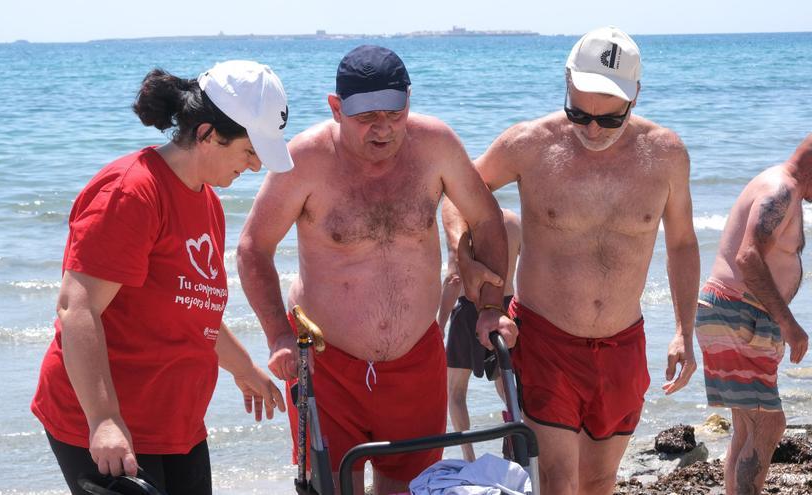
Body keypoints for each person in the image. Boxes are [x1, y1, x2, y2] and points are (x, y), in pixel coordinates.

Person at [237, 45, 516, 494]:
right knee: (332, 487)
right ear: (335, 108)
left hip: (416, 362)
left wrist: (489, 307)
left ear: (409, 101)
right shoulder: (304, 160)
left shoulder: (436, 145)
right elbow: (253, 248)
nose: (382, 128)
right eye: (365, 117)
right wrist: (278, 335)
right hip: (328, 367)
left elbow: (486, 218)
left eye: (393, 113)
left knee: (408, 488)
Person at [443, 26, 701, 495]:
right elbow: (455, 196)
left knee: (599, 482)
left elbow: (682, 243)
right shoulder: (529, 143)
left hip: (623, 344)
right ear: (566, 83)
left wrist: (684, 330)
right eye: (579, 112)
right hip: (545, 340)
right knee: (558, 482)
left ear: (635, 96)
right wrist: (461, 250)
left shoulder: (666, 154)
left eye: (609, 118)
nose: (591, 129)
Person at [31, 60, 289, 495]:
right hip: (109, 428)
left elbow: (188, 306)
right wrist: (104, 419)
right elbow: (77, 307)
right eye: (249, 151)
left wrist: (244, 368)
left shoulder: (207, 200)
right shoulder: (131, 192)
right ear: (207, 134)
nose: (256, 165)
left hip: (177, 425)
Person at [696, 134, 811, 495]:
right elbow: (748, 258)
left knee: (747, 428)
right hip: (740, 312)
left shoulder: (779, 185)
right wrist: (788, 324)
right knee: (769, 425)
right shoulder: (781, 189)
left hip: (732, 311)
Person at [437, 209, 521, 461]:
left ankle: (469, 458)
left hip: (470, 309)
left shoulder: (466, 223)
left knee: (456, 392)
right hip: (507, 307)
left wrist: (439, 325)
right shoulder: (514, 220)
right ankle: (517, 445)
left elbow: (454, 279)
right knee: (507, 386)